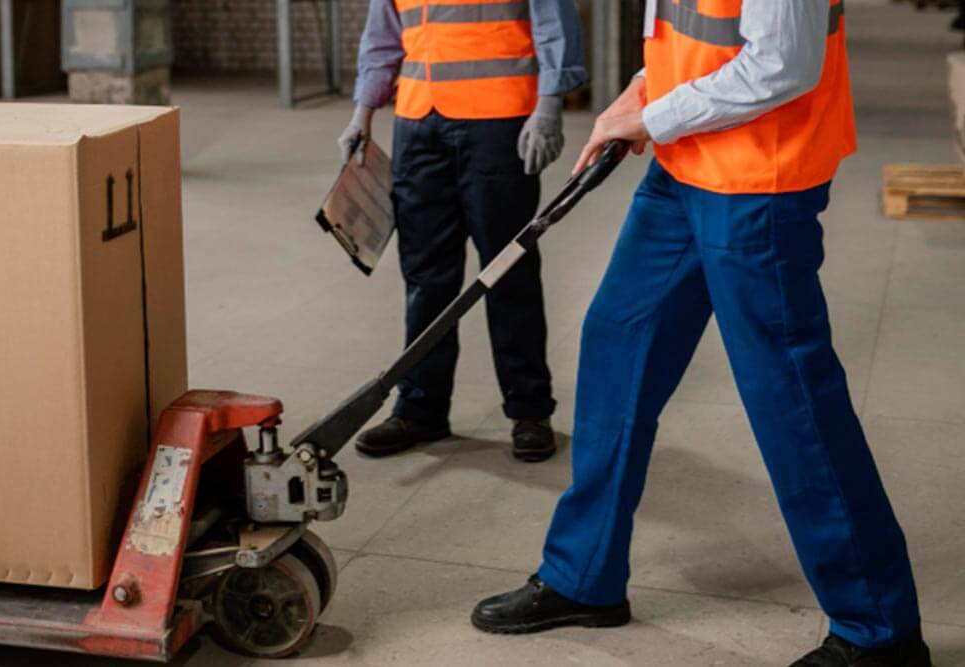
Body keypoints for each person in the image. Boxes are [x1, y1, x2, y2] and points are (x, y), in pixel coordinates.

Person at [471, 1, 933, 665]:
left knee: (792, 400)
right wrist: (643, 87)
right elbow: (695, 32)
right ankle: (585, 573)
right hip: (685, 164)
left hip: (757, 184)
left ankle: (878, 629)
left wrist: (655, 115)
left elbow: (784, 62)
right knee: (617, 342)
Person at [340, 0, 587, 462]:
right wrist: (363, 112)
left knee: (508, 269)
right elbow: (383, 39)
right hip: (417, 126)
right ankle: (420, 409)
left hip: (499, 122)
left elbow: (555, 23)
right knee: (425, 276)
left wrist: (549, 104)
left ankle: (529, 409)